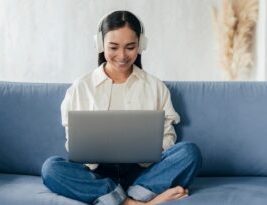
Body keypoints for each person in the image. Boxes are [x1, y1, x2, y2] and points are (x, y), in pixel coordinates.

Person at [41, 10, 202, 205]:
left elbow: (169, 136)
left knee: (189, 152)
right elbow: (72, 142)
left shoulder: (155, 86)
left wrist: (157, 146)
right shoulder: (81, 87)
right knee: (51, 168)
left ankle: (118, 199)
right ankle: (136, 202)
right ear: (100, 45)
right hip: (97, 174)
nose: (122, 55)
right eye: (114, 47)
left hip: (142, 172)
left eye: (130, 47)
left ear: (141, 45)